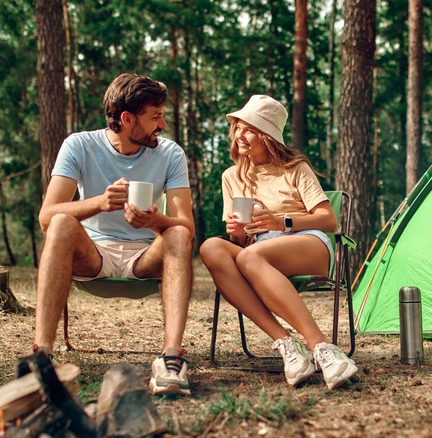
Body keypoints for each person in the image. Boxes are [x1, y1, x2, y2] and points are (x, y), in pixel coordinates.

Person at [34, 73, 194, 396]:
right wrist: (100, 203)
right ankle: (41, 357)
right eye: (155, 117)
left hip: (144, 257)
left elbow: (186, 227)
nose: (162, 125)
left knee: (177, 234)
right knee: (62, 222)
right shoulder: (79, 146)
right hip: (93, 253)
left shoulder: (171, 154)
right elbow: (45, 216)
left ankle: (171, 360)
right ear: (127, 119)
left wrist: (153, 221)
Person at [200, 95, 358, 390]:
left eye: (249, 129)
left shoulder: (295, 168)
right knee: (211, 247)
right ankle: (286, 344)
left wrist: (282, 221)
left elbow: (328, 220)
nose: (239, 135)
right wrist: (236, 230)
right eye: (237, 127)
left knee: (249, 257)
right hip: (260, 253)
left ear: (268, 135)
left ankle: (323, 348)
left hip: (307, 242)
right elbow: (239, 239)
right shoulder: (231, 176)